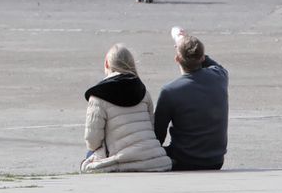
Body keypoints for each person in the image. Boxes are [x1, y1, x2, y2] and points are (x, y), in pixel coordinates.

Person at [79, 43, 172, 173]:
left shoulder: (98, 96)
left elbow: (92, 140)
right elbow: (151, 127)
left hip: (121, 159)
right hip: (153, 159)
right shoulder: (143, 91)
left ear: (107, 64)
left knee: (90, 154)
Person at [154, 27, 229, 171]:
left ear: (177, 59)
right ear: (202, 57)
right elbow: (211, 63)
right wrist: (184, 40)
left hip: (183, 160)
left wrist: (180, 41)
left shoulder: (170, 91)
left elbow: (158, 136)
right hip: (215, 160)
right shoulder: (220, 77)